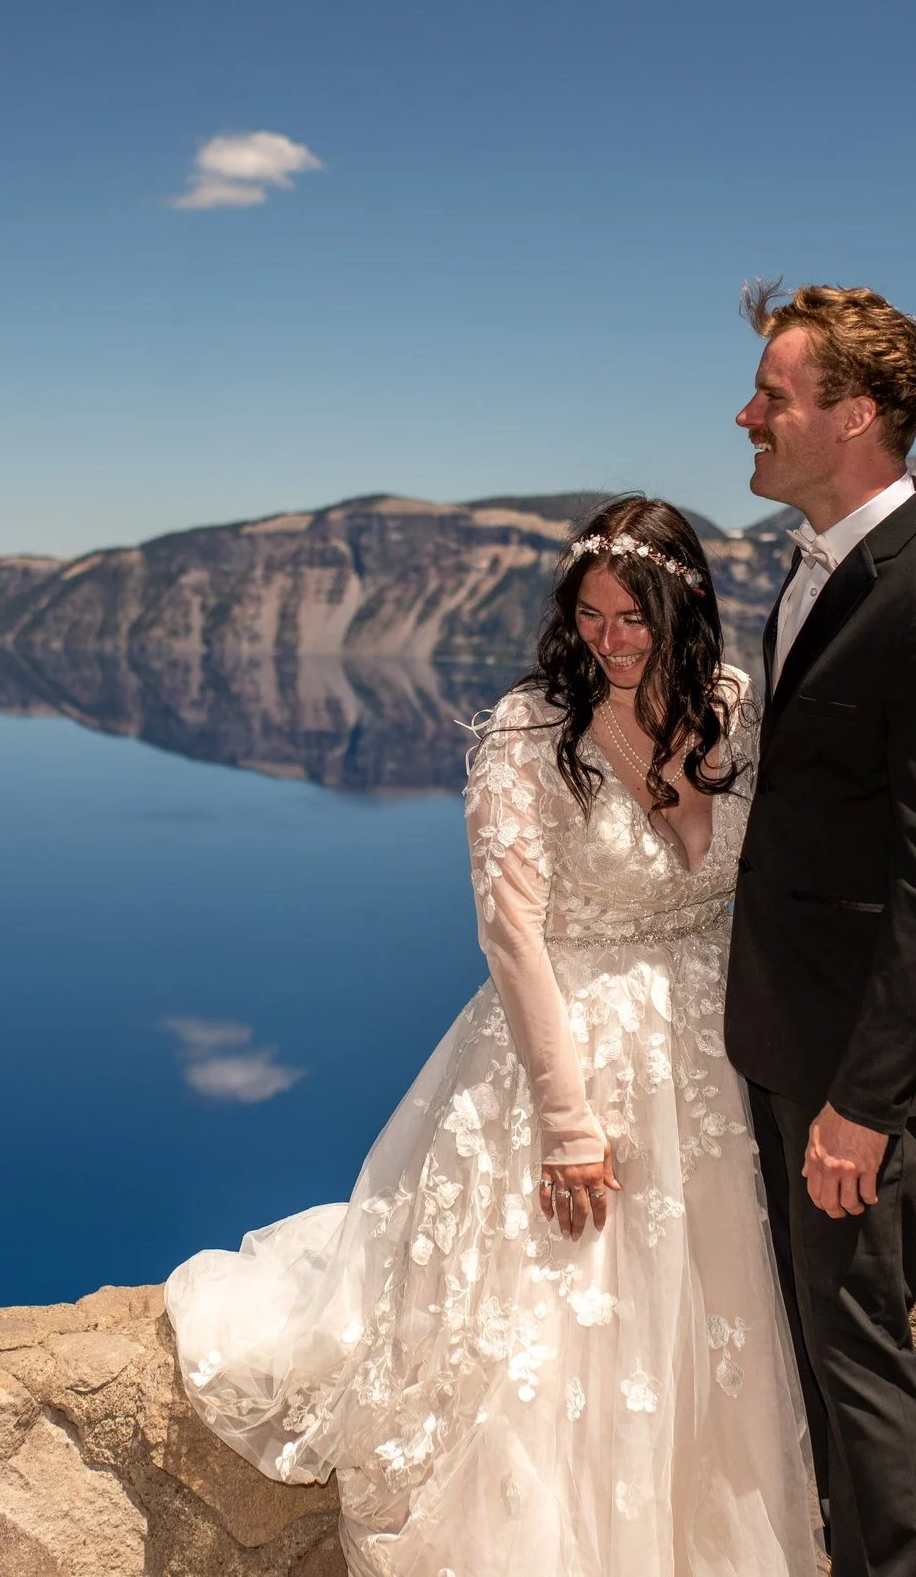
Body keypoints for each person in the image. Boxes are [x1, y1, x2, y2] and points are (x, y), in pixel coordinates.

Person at [167, 496, 822, 1577]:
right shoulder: (530, 730)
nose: (606, 639)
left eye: (631, 617)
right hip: (573, 1048)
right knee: (566, 1328)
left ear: (686, 607)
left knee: (716, 1318)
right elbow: (510, 932)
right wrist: (568, 1122)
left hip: (714, 1057)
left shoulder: (738, 707)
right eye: (590, 615)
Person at [724, 283, 916, 1577]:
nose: (746, 413)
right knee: (814, 1349)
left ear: (852, 415)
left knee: (857, 1363)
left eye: (773, 395)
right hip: (790, 1036)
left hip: (857, 1066)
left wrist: (863, 1101)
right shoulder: (821, 570)